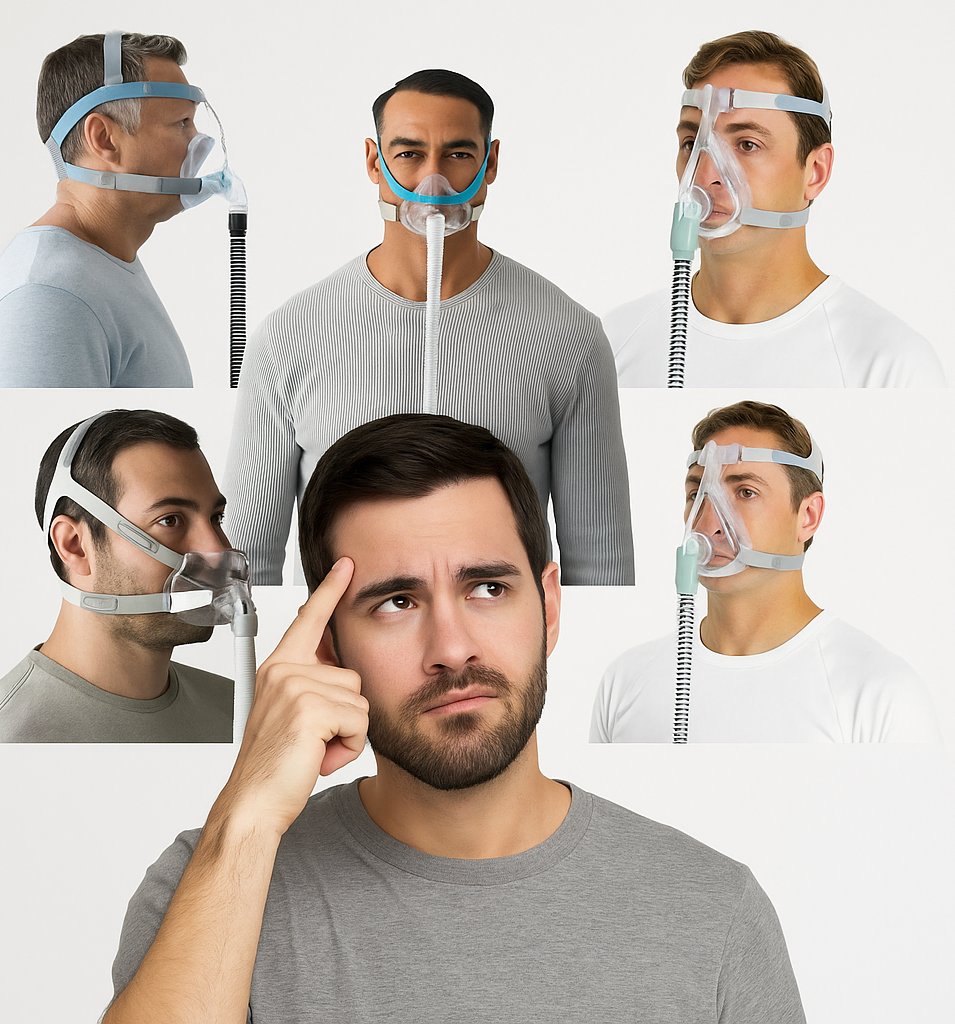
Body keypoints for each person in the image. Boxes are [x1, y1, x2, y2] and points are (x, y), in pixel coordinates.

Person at [105, 414, 804, 1023]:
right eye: (396, 603)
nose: (451, 649)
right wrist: (249, 818)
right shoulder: (208, 886)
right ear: (327, 643)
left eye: (488, 588)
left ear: (550, 608)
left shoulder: (714, 912)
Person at [224, 69, 634, 586]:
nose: (432, 181)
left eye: (459, 154)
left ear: (491, 163)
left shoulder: (567, 335)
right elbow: (246, 564)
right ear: (376, 163)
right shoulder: (287, 339)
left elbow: (600, 566)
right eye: (409, 154)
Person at [607, 30, 945, 387]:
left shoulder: (889, 367)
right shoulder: (611, 345)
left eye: (747, 144)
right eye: (691, 143)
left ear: (815, 172)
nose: (704, 175)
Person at [591, 401, 941, 743]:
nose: (708, 522)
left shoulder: (880, 695)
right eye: (697, 493)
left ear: (808, 517)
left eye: (746, 492)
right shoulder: (626, 681)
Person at [0, 410, 236, 742]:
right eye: (170, 520)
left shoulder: (239, 710)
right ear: (75, 546)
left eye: (216, 518)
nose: (216, 551)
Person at [0, 32, 208, 387]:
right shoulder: (45, 301)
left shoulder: (100, 269)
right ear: (105, 139)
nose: (198, 143)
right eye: (181, 123)